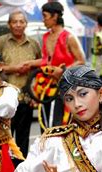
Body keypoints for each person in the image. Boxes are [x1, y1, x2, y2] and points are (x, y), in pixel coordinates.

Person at [0, 9, 42, 157]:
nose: (18, 25)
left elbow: (41, 66)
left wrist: (36, 94)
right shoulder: (1, 42)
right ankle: (4, 169)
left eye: (21, 22)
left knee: (23, 138)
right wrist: (13, 68)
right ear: (9, 24)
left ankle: (21, 168)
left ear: (26, 24)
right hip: (5, 96)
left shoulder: (33, 43)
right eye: (15, 22)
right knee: (4, 137)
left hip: (26, 97)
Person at [36, 1, 85, 129]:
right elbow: (46, 61)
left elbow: (80, 61)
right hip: (47, 87)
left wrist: (63, 71)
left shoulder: (68, 37)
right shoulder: (45, 37)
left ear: (55, 16)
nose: (43, 20)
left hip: (65, 87)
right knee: (45, 124)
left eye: (45, 16)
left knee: (60, 124)